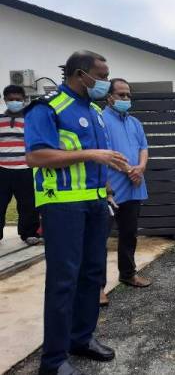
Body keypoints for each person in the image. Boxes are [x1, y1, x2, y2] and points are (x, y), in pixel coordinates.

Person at [24, 50, 129, 375]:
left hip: (96, 205)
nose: (105, 82)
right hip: (62, 206)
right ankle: (53, 360)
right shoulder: (48, 107)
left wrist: (108, 192)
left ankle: (82, 338)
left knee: (91, 275)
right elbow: (36, 156)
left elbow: (98, 162)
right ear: (81, 74)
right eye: (101, 75)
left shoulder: (95, 111)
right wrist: (90, 154)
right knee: (63, 281)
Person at [102, 78, 152, 293]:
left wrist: (140, 168)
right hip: (109, 188)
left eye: (128, 95)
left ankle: (128, 274)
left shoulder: (134, 123)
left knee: (129, 234)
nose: (125, 99)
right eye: (121, 95)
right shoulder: (101, 120)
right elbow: (103, 154)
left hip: (134, 186)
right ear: (109, 97)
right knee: (99, 238)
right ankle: (97, 287)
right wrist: (129, 170)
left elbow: (143, 148)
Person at [0, 85, 41, 245]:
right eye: (11, 99)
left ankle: (29, 233)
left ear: (24, 101)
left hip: (26, 169)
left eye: (18, 99)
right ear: (5, 100)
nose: (14, 102)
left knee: (28, 204)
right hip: (2, 169)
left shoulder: (30, 120)